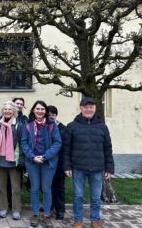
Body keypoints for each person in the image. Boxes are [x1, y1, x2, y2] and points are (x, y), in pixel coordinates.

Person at [63, 97, 114, 228]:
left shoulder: (102, 127)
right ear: (81, 108)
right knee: (78, 195)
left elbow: (108, 148)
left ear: (95, 109)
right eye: (86, 107)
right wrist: (67, 166)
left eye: (91, 107)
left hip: (97, 168)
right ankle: (78, 220)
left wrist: (109, 168)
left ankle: (95, 220)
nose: (88, 109)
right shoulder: (72, 126)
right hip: (78, 167)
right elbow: (66, 148)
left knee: (96, 197)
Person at [21, 100, 62, 228]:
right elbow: (24, 143)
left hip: (47, 162)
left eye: (42, 109)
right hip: (32, 162)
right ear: (33, 110)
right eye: (37, 109)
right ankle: (35, 213)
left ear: (46, 112)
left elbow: (57, 143)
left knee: (46, 188)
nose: (40, 111)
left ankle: (46, 214)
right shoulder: (28, 125)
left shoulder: (52, 125)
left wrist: (44, 157)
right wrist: (33, 157)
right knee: (34, 188)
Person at [0, 101, 23, 220]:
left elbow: (22, 143)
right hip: (1, 159)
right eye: (5, 109)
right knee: (1, 186)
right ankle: (3, 208)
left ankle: (16, 209)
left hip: (14, 160)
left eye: (10, 109)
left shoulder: (18, 125)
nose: (7, 111)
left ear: (14, 111)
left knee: (15, 187)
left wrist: (21, 159)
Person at [47, 105, 66, 220]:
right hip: (47, 162)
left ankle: (60, 210)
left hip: (59, 162)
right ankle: (49, 206)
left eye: (53, 114)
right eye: (49, 114)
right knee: (48, 186)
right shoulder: (43, 127)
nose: (51, 116)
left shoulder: (62, 128)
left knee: (59, 187)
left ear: (56, 115)